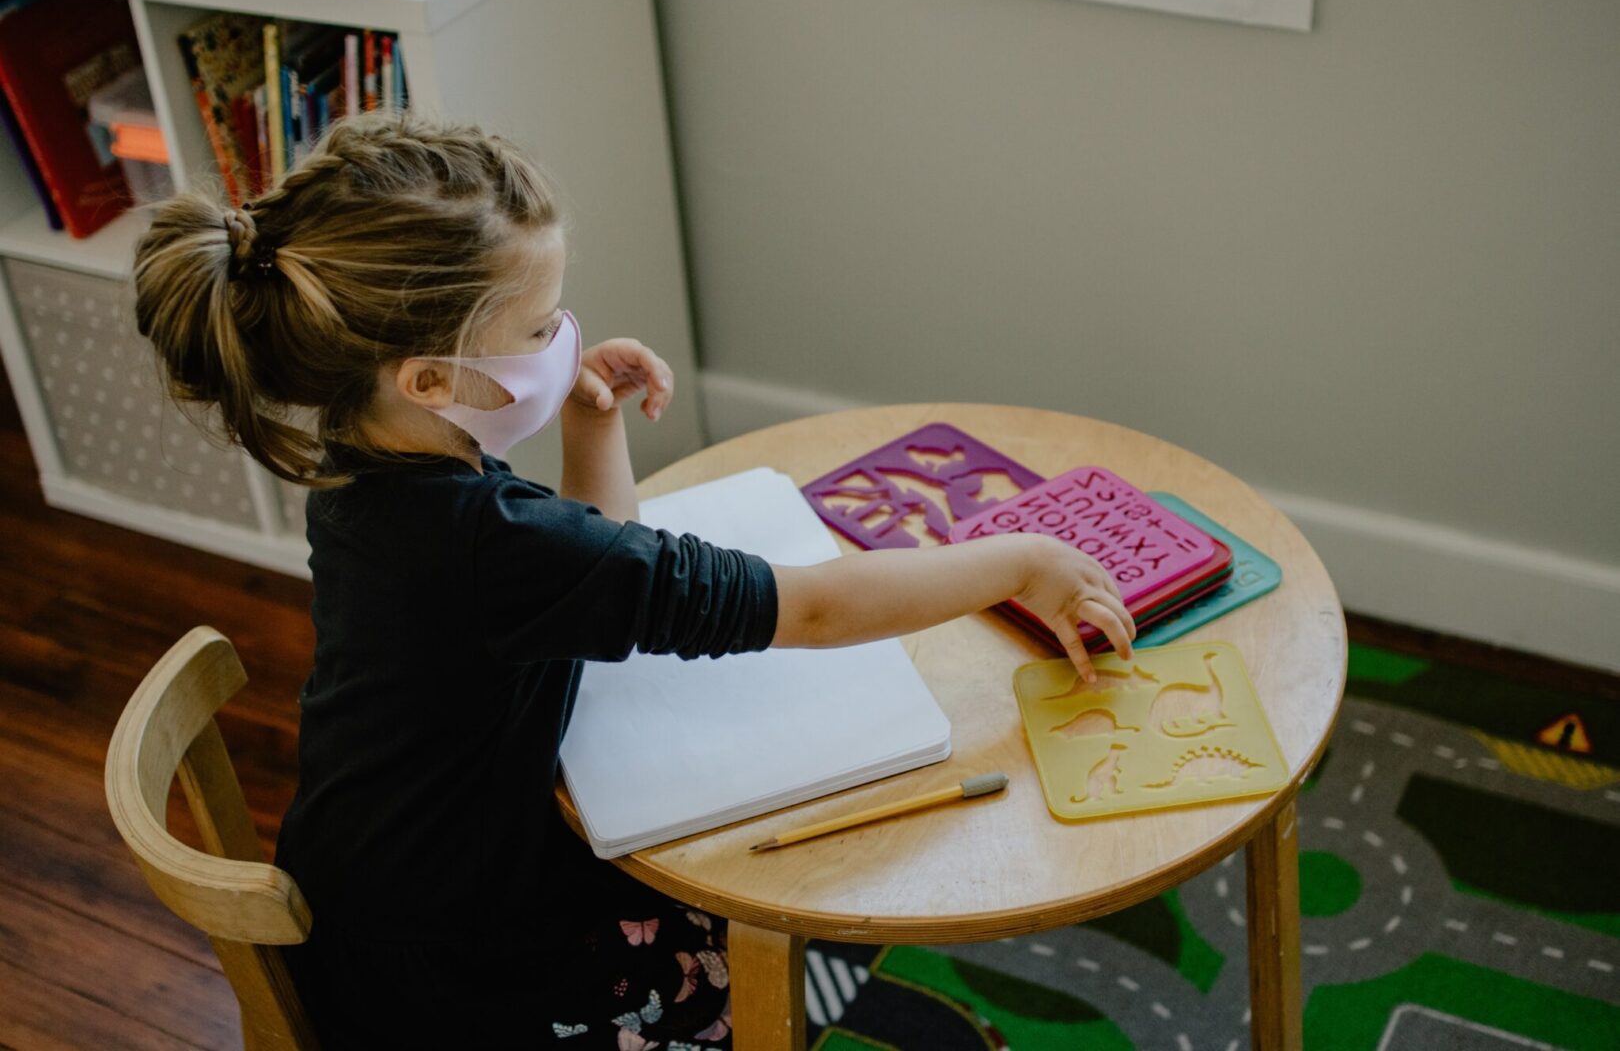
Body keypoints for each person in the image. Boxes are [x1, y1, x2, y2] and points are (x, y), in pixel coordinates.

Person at [131, 112, 1135, 1049]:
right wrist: (1022, 561)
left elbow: (590, 572)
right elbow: (817, 608)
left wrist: (587, 418)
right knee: (770, 923)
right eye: (536, 332)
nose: (560, 342)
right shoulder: (483, 540)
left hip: (386, 899)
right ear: (430, 382)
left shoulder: (369, 465)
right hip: (463, 983)